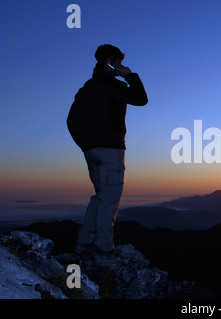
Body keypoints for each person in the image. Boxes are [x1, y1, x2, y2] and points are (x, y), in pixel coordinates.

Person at [67, 44, 148, 256]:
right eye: (119, 62)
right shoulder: (110, 84)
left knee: (100, 196)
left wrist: (85, 144)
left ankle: (83, 244)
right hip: (110, 149)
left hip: (90, 150)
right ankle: (103, 248)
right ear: (111, 61)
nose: (122, 65)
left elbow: (71, 120)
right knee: (109, 198)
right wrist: (129, 76)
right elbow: (141, 99)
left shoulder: (87, 87)